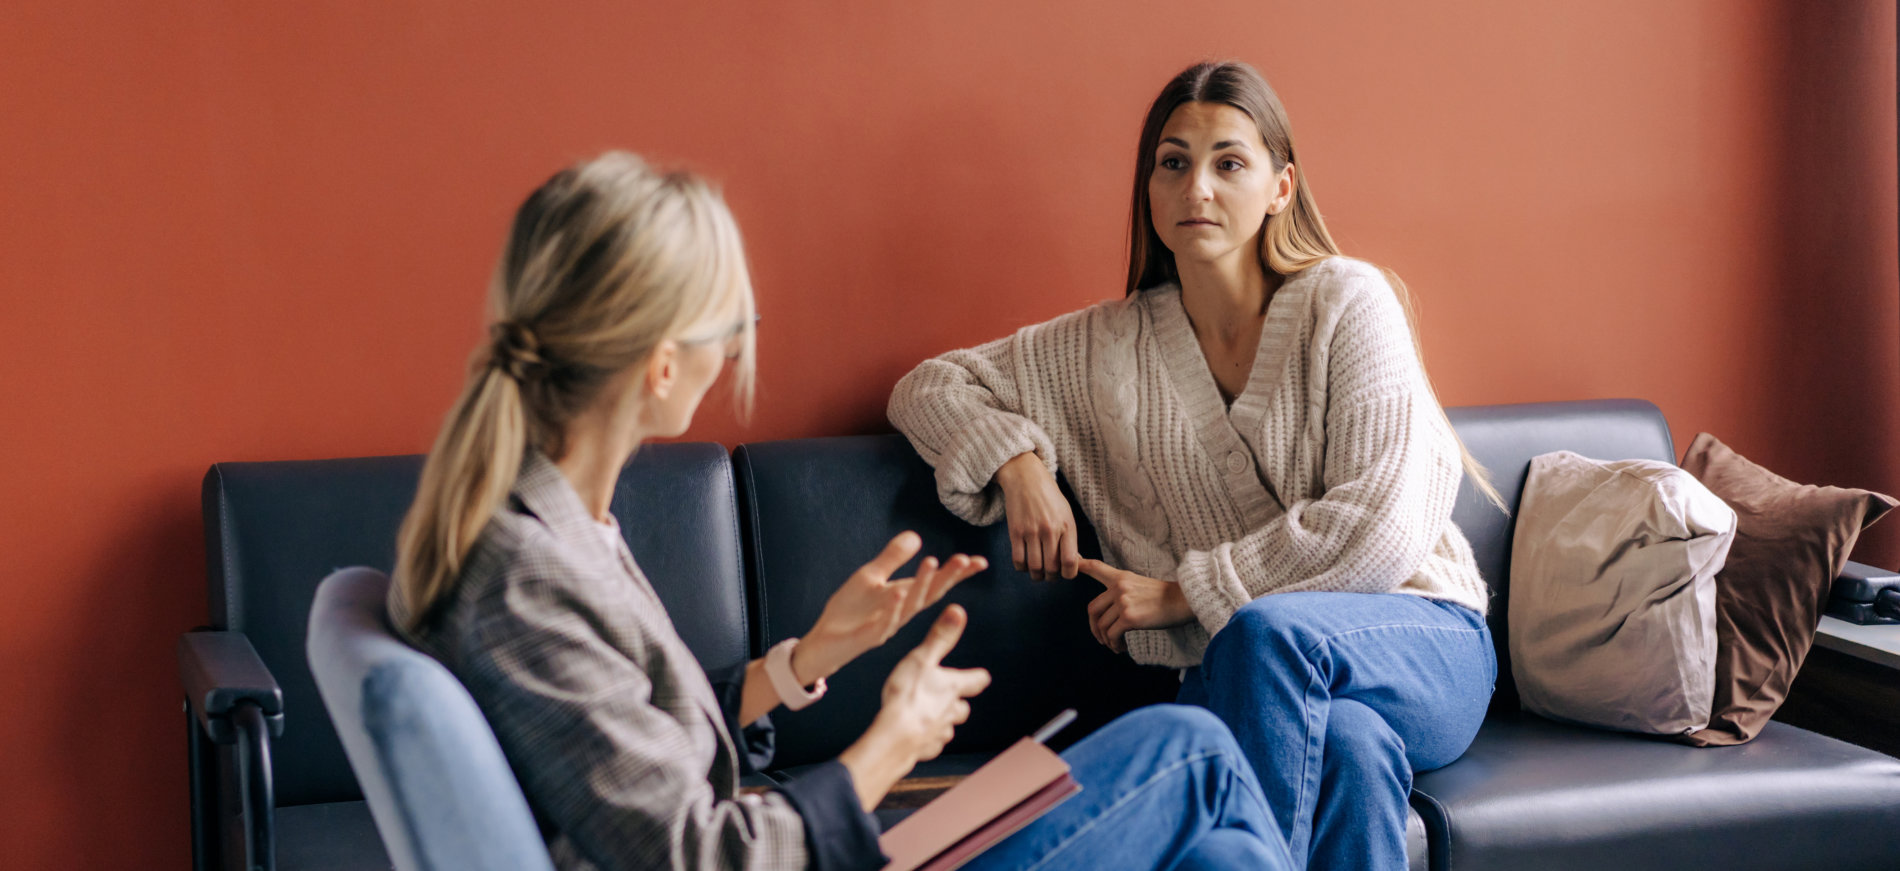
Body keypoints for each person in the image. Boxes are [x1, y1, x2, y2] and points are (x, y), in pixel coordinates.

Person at [388, 151, 1292, 871]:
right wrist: (887, 749)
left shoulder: (545, 527)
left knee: (1216, 848)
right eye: (730, 328)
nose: (739, 349)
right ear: (663, 366)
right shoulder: (527, 576)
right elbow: (696, 854)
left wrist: (808, 657)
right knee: (1191, 745)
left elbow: (630, 735)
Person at [888, 60, 1500, 870]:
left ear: (1281, 187)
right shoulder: (1106, 347)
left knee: (1265, 632)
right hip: (1262, 681)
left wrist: (1185, 593)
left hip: (1420, 641)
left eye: (1228, 163)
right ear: (1149, 187)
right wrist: (1019, 461)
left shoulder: (1349, 302)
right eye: (1173, 163)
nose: (1197, 189)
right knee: (1349, 749)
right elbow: (928, 387)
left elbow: (1380, 527)